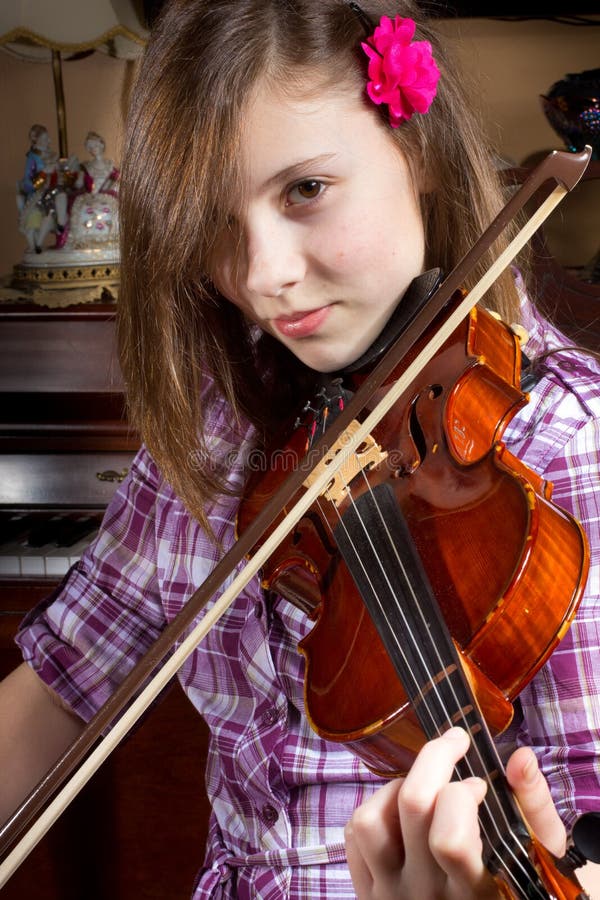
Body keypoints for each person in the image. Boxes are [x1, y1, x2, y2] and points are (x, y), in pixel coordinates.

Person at [1, 1, 599, 898]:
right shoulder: (216, 420)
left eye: (306, 191)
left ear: (421, 152)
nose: (261, 275)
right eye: (212, 221)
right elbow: (63, 681)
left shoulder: (565, 446)